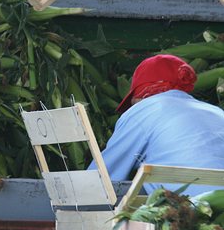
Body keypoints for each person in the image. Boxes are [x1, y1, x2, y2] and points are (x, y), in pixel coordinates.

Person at [90, 54, 224, 197]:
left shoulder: (143, 109)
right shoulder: (217, 112)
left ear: (142, 94)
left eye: (132, 101)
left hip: (187, 210)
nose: (132, 107)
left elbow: (98, 178)